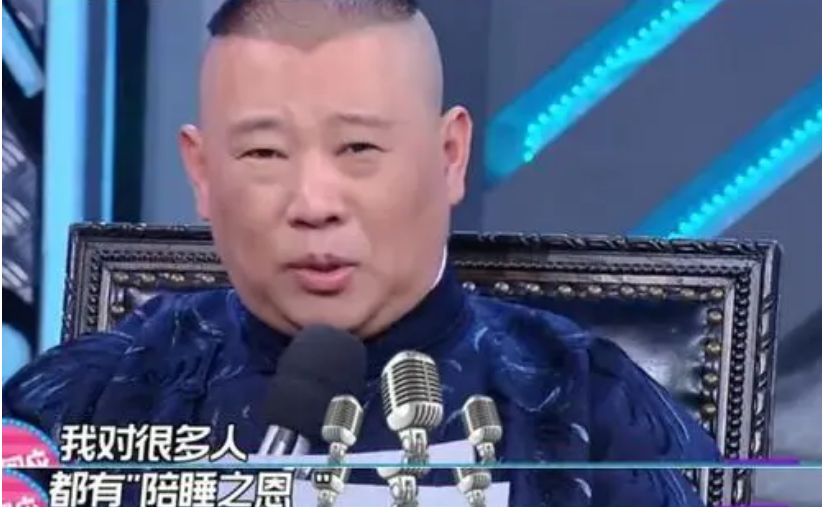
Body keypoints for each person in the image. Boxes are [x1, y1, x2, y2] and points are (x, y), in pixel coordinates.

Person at [3, 0, 719, 505]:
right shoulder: (91, 400)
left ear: (449, 155)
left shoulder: (592, 407)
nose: (314, 202)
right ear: (202, 172)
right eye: (264, 153)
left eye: (359, 148)